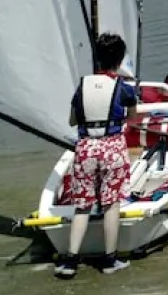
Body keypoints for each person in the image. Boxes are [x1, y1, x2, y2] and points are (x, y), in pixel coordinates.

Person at [55, 32, 138, 278]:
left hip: (86, 148)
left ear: (97, 58)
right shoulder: (123, 88)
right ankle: (110, 260)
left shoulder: (82, 86)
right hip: (112, 148)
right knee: (111, 204)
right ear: (120, 60)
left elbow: (72, 120)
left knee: (82, 205)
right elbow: (133, 117)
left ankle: (70, 261)